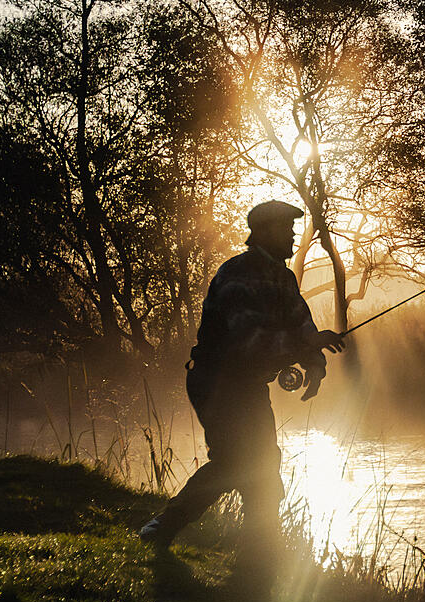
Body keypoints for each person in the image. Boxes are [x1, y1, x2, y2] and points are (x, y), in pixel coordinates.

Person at [137, 199, 345, 553]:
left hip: (248, 386)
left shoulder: (282, 277)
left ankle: (259, 551)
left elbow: (301, 323)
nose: (293, 234)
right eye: (286, 228)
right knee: (233, 461)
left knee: (264, 462)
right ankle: (164, 527)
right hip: (215, 382)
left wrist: (315, 363)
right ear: (263, 232)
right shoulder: (237, 275)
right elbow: (251, 339)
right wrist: (307, 346)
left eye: (293, 227)